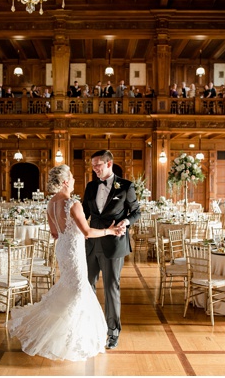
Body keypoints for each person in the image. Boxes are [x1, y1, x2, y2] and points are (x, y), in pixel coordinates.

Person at [9, 165, 125, 361]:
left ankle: (61, 332)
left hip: (62, 248)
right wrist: (110, 231)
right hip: (73, 249)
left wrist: (69, 234)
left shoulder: (50, 203)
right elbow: (88, 233)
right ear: (64, 182)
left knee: (69, 286)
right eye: (71, 178)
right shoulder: (73, 204)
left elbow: (54, 233)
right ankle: (72, 338)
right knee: (79, 288)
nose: (73, 181)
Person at [81, 150, 140, 350]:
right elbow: (83, 213)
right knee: (87, 286)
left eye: (98, 164)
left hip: (114, 243)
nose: (95, 169)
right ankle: (89, 325)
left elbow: (136, 211)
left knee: (110, 288)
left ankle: (113, 331)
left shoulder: (125, 186)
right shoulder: (90, 186)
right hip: (91, 243)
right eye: (93, 165)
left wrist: (126, 221)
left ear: (109, 164)